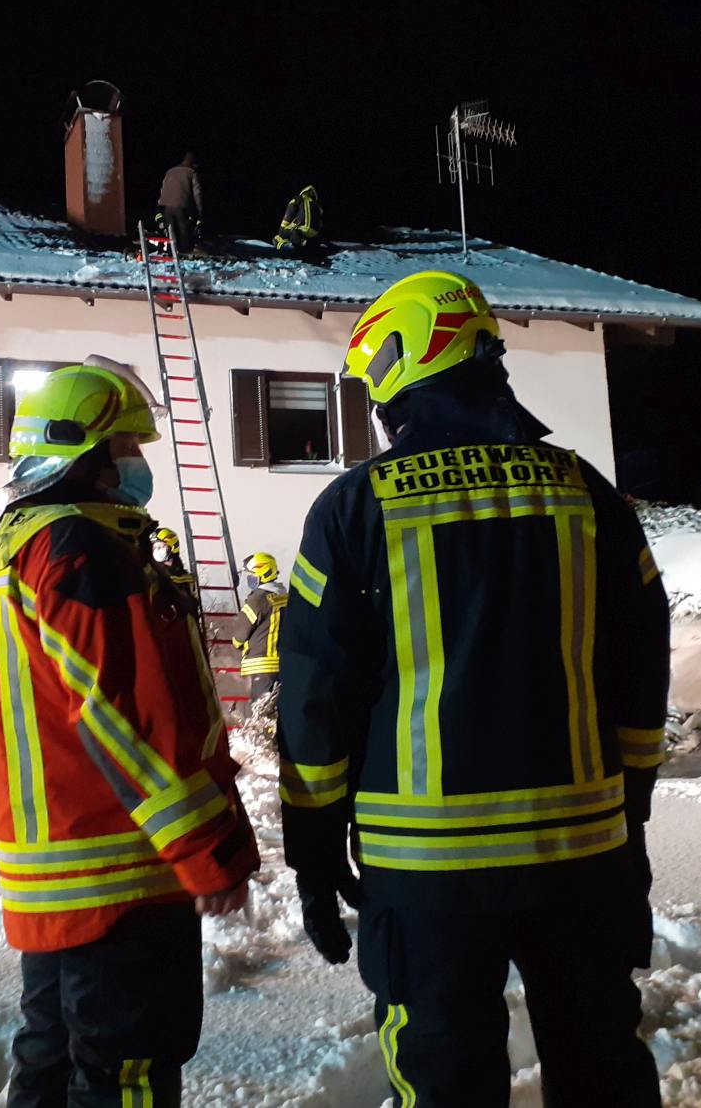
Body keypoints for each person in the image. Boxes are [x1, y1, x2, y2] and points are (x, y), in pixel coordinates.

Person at [277, 270, 670, 1108]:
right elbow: (641, 666)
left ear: (400, 364)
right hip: (581, 854)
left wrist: (311, 850)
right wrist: (630, 807)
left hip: (427, 870)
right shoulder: (586, 492)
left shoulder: (354, 508)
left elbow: (317, 696)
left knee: (445, 1080)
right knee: (602, 1070)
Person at [0, 358, 259, 1108]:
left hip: (67, 868)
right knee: (127, 1072)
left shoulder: (26, 540)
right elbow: (124, 712)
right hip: (121, 870)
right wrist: (206, 850)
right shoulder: (79, 547)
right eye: (127, 446)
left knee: (52, 1060)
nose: (137, 462)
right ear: (86, 454)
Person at [229, 553, 286, 701]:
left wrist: (236, 642)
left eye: (252, 574)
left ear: (262, 573)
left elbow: (241, 634)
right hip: (284, 664)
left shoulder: (257, 599)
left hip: (261, 665)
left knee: (262, 709)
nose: (249, 578)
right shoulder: (285, 598)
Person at [158, 152, 204, 256]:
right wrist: (200, 210)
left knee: (171, 232)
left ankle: (171, 253)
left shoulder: (170, 171)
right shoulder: (191, 172)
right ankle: (184, 254)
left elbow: (163, 189)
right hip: (182, 206)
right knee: (184, 233)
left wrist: (160, 206)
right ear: (193, 163)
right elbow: (197, 192)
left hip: (166, 207)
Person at [149, 526, 199, 606]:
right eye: (154, 547)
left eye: (161, 546)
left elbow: (191, 606)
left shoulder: (186, 579)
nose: (157, 550)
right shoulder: (151, 574)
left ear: (172, 546)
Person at [273, 184, 323, 255]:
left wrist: (282, 228)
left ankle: (287, 248)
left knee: (278, 237)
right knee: (297, 233)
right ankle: (305, 244)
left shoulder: (298, 199)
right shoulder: (317, 206)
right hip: (314, 232)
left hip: (301, 229)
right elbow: (320, 222)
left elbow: (290, 212)